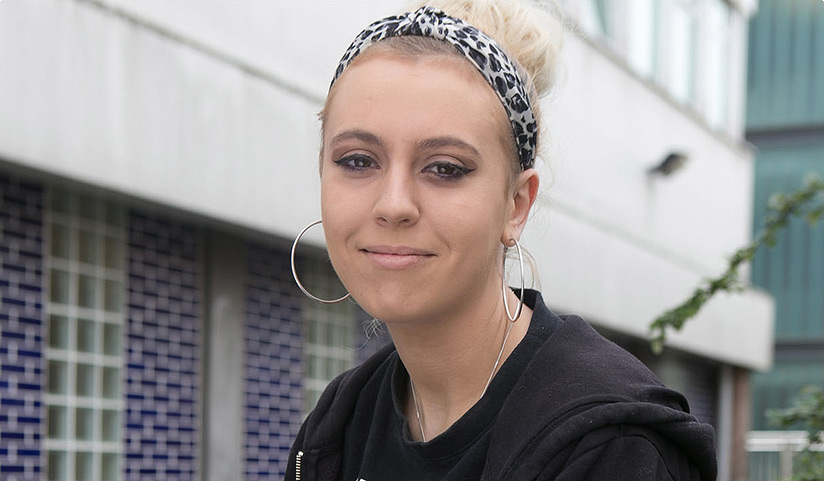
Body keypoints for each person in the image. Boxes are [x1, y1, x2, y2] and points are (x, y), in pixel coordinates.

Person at [285, 1, 717, 480]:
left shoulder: (609, 447)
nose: (393, 205)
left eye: (445, 169)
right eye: (358, 160)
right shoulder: (338, 424)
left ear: (516, 205)